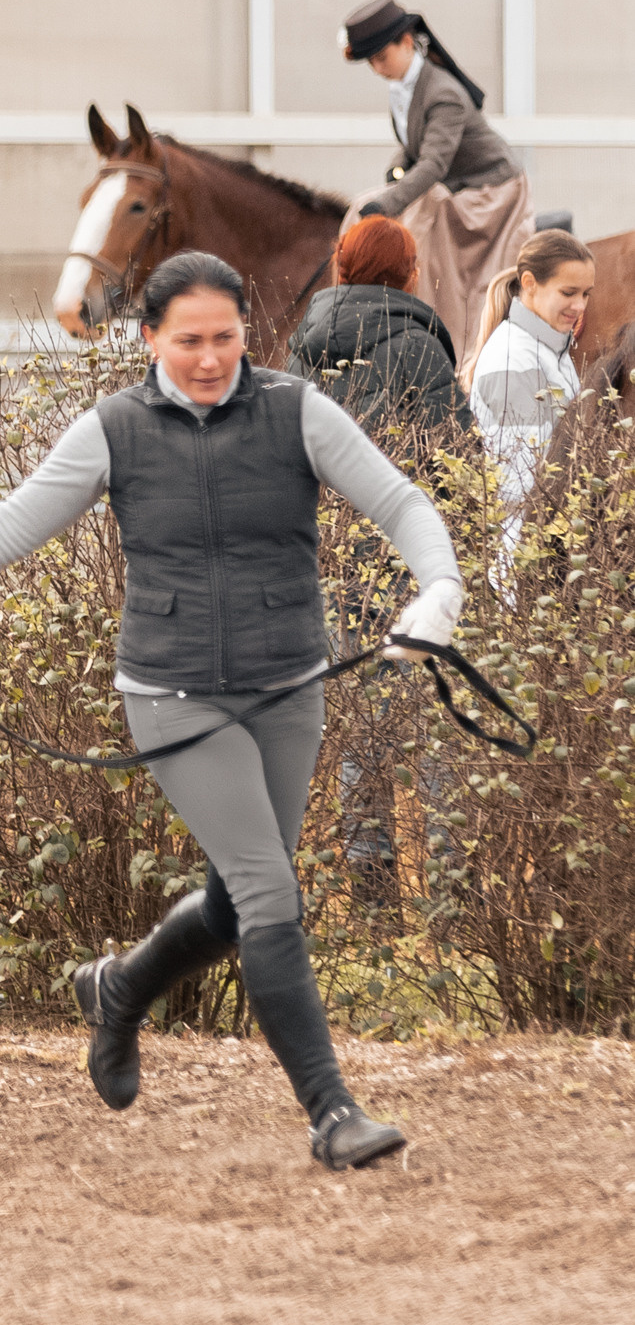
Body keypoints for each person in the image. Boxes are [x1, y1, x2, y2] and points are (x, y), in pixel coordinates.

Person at [0, 250, 465, 1171]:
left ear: (247, 334)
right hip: (173, 694)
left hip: (287, 686)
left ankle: (117, 989)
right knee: (275, 892)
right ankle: (331, 1113)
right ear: (148, 337)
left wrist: (437, 589)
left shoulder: (295, 411)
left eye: (225, 338)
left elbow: (400, 503)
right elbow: (11, 521)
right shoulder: (113, 429)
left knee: (241, 901)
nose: (208, 358)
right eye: (187, 340)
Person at [289, 214, 470, 917]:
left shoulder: (299, 354)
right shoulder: (419, 352)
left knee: (361, 736)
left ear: (339, 270)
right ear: (409, 275)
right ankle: (452, 912)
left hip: (328, 575)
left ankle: (371, 907)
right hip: (407, 571)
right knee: (434, 743)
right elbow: (455, 464)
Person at [341, 0, 531, 366]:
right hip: (457, 183)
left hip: (492, 192)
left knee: (426, 227)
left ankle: (449, 345)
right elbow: (415, 143)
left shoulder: (444, 92)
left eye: (381, 58)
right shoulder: (405, 86)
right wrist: (393, 175)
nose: (378, 69)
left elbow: (433, 164)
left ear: (407, 42)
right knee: (362, 203)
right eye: (372, 62)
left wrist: (388, 204)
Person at [286, 213, 476, 451]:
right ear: (410, 273)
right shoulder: (418, 346)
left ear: (341, 266)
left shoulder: (303, 345)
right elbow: (456, 452)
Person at [465, 226, 594, 522]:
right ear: (530, 283)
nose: (580, 306)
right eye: (568, 292)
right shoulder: (514, 360)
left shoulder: (550, 348)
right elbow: (521, 486)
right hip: (526, 553)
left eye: (586, 294)